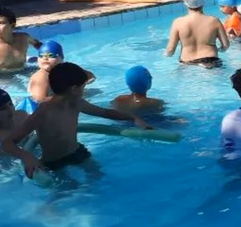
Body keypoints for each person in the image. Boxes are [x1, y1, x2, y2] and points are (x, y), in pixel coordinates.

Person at [8, 62, 150, 172]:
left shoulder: (76, 103)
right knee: (64, 192)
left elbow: (105, 113)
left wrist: (133, 117)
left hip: (77, 152)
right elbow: (9, 143)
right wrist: (26, 156)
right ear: (74, 89)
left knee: (98, 177)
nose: (84, 90)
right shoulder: (44, 113)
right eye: (83, 87)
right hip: (53, 162)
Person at [0, 88, 40, 177]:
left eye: (10, 104)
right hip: (10, 167)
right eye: (3, 109)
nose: (10, 110)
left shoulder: (21, 116)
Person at [164, 0, 229, 67]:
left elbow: (170, 51)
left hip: (187, 64)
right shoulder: (214, 21)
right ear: (203, 1)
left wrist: (165, 54)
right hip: (211, 62)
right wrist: (220, 50)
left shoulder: (178, 23)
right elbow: (226, 46)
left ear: (185, 2)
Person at [25, 40, 95, 110]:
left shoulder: (65, 68)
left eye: (50, 55)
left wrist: (79, 85)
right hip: (37, 109)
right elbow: (39, 100)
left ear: (61, 58)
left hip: (55, 97)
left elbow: (90, 77)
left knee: (92, 92)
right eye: (41, 56)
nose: (45, 58)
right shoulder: (41, 77)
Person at [0, 7, 41, 78]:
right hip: (4, 78)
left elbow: (38, 45)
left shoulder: (24, 38)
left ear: (12, 25)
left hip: (25, 71)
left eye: (0, 23)